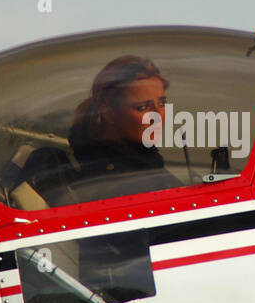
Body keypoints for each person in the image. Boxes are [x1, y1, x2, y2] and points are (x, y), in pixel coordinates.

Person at [67, 55, 183, 200]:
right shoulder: (112, 180)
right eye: (142, 107)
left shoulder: (146, 162)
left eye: (161, 103)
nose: (157, 116)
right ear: (108, 113)